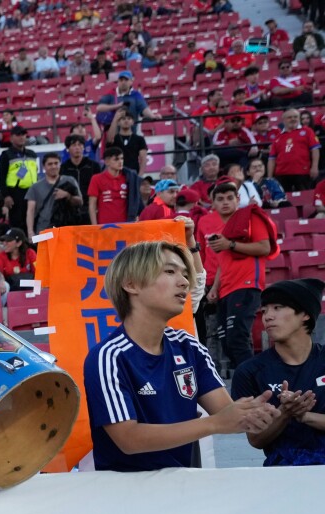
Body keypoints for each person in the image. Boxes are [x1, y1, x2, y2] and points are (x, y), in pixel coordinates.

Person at [85, 240, 276, 472]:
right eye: (169, 271)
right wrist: (215, 423)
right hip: (125, 492)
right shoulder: (109, 357)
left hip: (180, 485)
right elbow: (129, 440)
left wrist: (257, 413)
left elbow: (227, 414)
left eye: (185, 274)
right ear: (131, 284)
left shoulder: (189, 347)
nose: (184, 281)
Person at [230, 278, 325, 465]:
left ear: (305, 314)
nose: (267, 316)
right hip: (282, 473)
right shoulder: (249, 371)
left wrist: (304, 416)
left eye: (278, 308)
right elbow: (256, 440)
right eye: (264, 310)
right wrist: (284, 412)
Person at [204, 180, 278, 374]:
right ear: (213, 204)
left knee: (237, 339)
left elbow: (265, 247)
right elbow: (223, 263)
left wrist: (231, 245)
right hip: (225, 290)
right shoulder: (225, 231)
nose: (225, 202)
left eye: (230, 198)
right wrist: (214, 288)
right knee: (228, 343)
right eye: (220, 199)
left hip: (245, 286)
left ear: (238, 199)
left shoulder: (251, 217)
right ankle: (250, 386)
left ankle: (257, 387)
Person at [25, 153, 85, 239]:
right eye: (50, 164)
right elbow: (30, 211)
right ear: (44, 167)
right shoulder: (35, 187)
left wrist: (67, 195)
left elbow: (80, 202)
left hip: (67, 230)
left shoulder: (70, 180)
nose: (53, 166)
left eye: (56, 163)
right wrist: (30, 232)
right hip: (44, 231)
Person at [268, 108, 321, 193]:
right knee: (284, 201)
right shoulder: (278, 137)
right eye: (289, 117)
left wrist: (314, 167)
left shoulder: (307, 131)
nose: (293, 119)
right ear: (283, 120)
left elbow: (315, 149)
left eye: (295, 117)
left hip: (302, 172)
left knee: (304, 201)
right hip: (281, 174)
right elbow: (271, 159)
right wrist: (270, 177)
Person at [0, 125, 38, 228]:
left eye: (24, 134)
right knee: (18, 223)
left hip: (32, 192)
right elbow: (1, 178)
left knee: (34, 221)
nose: (22, 137)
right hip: (16, 193)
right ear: (11, 138)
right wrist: (6, 195)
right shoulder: (7, 154)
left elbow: (36, 173)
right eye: (18, 135)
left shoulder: (32, 154)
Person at [88, 147, 135, 225]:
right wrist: (94, 226)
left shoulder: (128, 178)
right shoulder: (96, 179)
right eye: (116, 159)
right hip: (104, 226)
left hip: (125, 226)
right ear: (107, 162)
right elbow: (92, 205)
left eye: (121, 158)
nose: (120, 162)